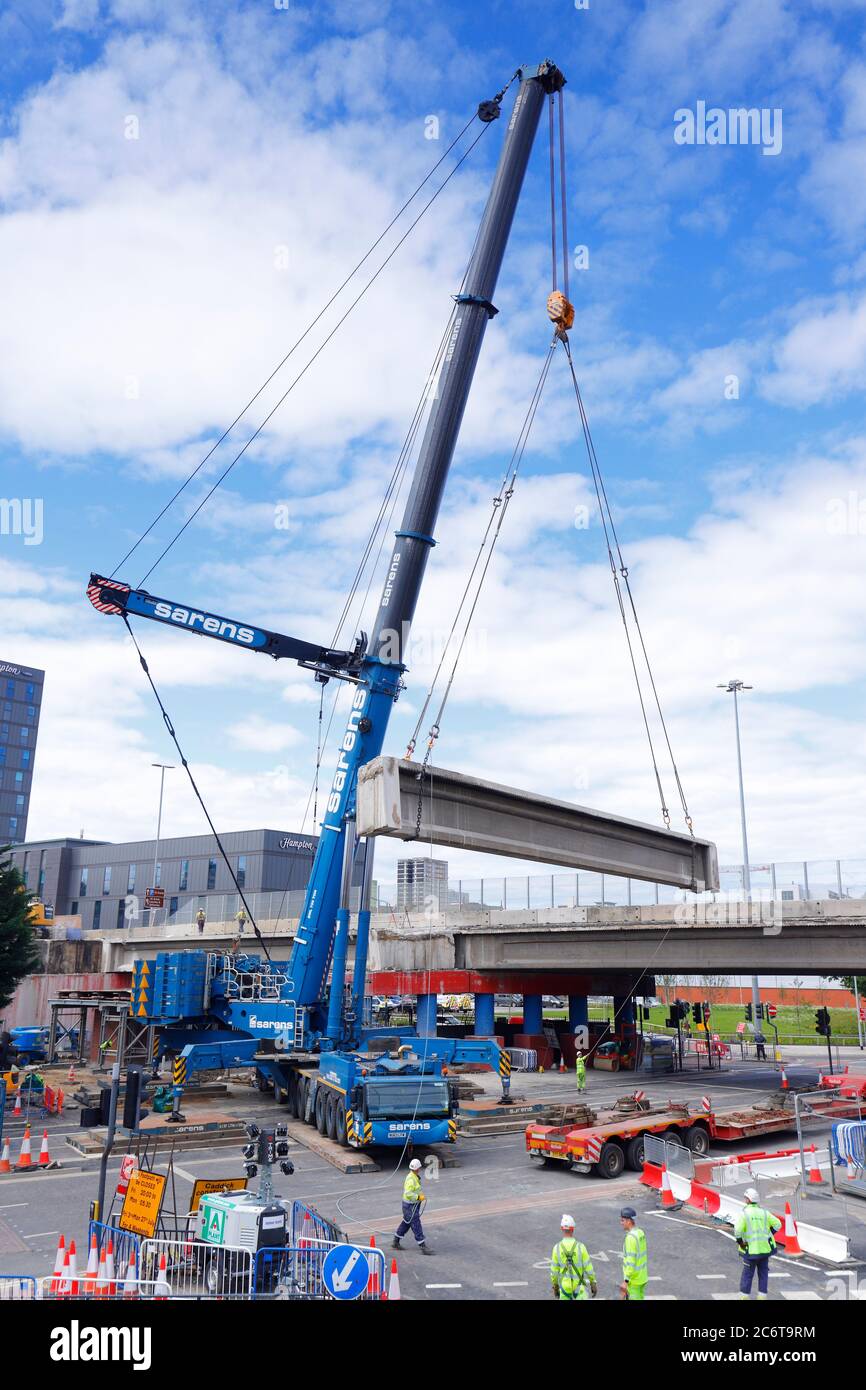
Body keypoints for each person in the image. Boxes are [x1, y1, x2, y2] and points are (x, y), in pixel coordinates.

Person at [734, 1187, 781, 1300]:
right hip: (764, 1251)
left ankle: (744, 1297)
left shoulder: (744, 1213)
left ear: (748, 1200)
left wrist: (741, 1243)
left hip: (750, 1251)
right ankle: (762, 1297)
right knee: (763, 1274)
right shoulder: (765, 1213)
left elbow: (738, 1231)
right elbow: (778, 1224)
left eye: (745, 1198)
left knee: (747, 1275)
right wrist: (769, 1235)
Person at [550, 1214, 597, 1300]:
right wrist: (592, 1282)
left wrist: (555, 1285)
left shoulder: (556, 1248)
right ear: (573, 1229)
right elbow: (589, 1268)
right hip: (579, 1289)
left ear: (561, 1228)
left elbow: (554, 1271)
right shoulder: (580, 1247)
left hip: (564, 1288)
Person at [392, 1158, 433, 1254]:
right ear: (417, 1168)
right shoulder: (411, 1179)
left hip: (411, 1205)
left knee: (406, 1223)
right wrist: (418, 1197)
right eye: (419, 1168)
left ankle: (396, 1241)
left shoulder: (414, 1176)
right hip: (410, 1206)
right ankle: (423, 1246)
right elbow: (408, 1193)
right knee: (416, 1224)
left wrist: (419, 1197)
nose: (420, 1169)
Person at [619, 1207, 648, 1300]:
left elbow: (631, 1261)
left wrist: (626, 1281)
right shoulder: (640, 1233)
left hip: (634, 1280)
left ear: (629, 1221)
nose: (621, 1223)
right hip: (642, 1277)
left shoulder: (630, 1238)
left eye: (622, 1220)